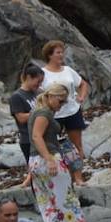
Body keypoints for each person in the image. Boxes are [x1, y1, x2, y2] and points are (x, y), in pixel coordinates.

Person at [28, 83, 99, 222]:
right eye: (60, 101)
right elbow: (37, 136)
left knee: (48, 204)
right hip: (49, 158)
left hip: (34, 161)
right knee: (67, 200)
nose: (61, 106)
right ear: (51, 96)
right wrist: (50, 159)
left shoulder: (37, 112)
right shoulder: (44, 113)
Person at [39, 40, 90, 184]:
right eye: (58, 52)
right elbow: (39, 93)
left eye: (62, 52)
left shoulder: (68, 70)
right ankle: (64, 177)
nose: (61, 55)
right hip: (54, 115)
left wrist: (81, 96)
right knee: (54, 147)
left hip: (72, 111)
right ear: (49, 55)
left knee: (76, 145)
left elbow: (83, 84)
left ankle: (79, 177)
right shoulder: (43, 73)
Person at [10, 65, 45, 167]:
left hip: (42, 136)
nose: (39, 84)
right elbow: (20, 118)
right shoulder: (17, 96)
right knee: (36, 170)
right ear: (29, 77)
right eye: (38, 81)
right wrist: (39, 112)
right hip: (28, 140)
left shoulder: (39, 92)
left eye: (41, 82)